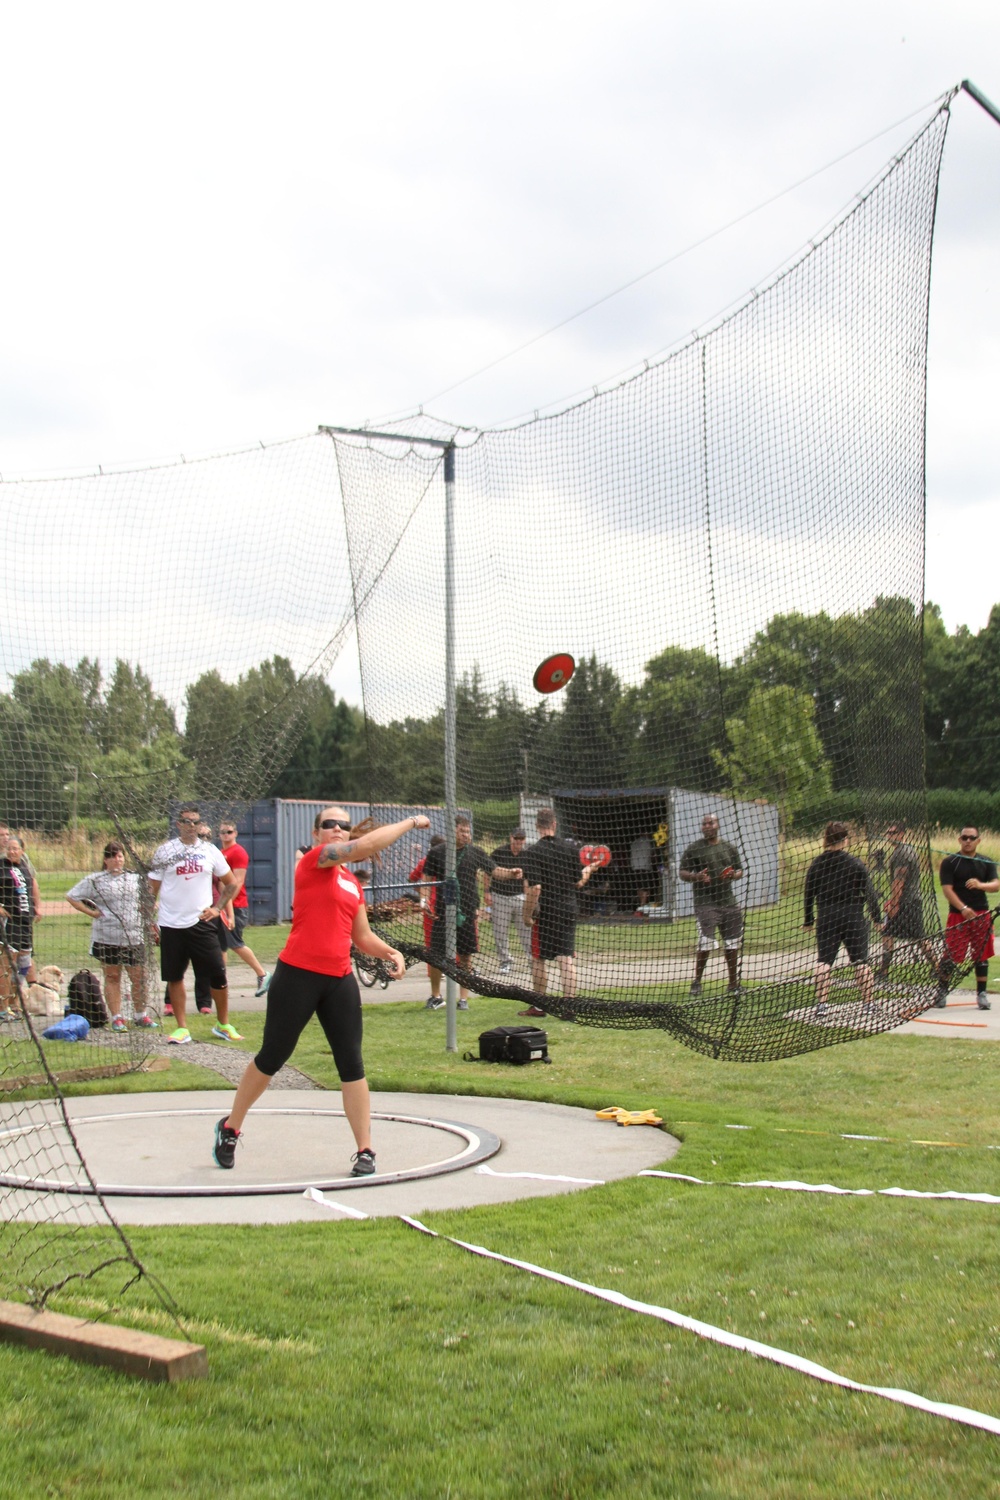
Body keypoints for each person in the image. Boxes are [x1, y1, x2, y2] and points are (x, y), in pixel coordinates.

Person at [211, 807, 430, 1176]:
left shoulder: (352, 884)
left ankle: (365, 1150)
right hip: (297, 975)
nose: (337, 829)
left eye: (344, 825)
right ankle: (230, 1127)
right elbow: (363, 847)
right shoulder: (315, 861)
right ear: (317, 834)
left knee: (351, 1063)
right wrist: (410, 823)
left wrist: (391, 951)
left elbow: (361, 937)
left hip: (338, 979)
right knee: (272, 1056)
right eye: (329, 824)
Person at [148, 805, 242, 1045]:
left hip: (202, 922)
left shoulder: (210, 851)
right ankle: (182, 1028)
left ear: (201, 825)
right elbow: (151, 890)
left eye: (196, 822)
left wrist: (218, 908)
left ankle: (223, 1024)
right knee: (175, 976)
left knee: (218, 973)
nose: (191, 826)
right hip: (171, 923)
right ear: (178, 824)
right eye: (186, 821)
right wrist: (149, 919)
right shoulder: (165, 851)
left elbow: (231, 883)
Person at [423, 817, 521, 1009]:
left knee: (466, 956)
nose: (466, 835)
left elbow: (494, 871)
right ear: (452, 831)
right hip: (442, 912)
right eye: (462, 831)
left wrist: (511, 873)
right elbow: (426, 877)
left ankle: (463, 999)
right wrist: (424, 899)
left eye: (468, 832)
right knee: (435, 955)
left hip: (467, 912)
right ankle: (436, 996)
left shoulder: (475, 852)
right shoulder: (437, 852)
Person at [66, 840, 156, 1031]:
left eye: (120, 855)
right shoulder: (96, 879)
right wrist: (92, 913)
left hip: (134, 935)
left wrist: (149, 919)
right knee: (113, 976)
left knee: (140, 976)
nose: (117, 859)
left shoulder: (134, 878)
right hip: (107, 937)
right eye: (113, 856)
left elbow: (149, 897)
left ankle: (141, 1015)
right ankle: (117, 1017)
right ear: (106, 860)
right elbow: (72, 896)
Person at [519, 808, 598, 1016]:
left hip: (546, 911)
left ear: (537, 826)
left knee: (538, 958)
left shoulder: (532, 852)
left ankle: (539, 1006)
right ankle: (569, 1006)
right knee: (566, 957)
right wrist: (589, 870)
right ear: (554, 824)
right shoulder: (570, 849)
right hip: (569, 908)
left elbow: (535, 888)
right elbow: (579, 882)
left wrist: (527, 915)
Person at [803, 821, 881, 1013]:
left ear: (826, 839)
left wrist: (808, 920)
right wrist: (877, 918)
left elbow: (808, 894)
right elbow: (870, 893)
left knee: (824, 961)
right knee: (861, 961)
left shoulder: (817, 864)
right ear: (845, 840)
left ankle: (822, 1005)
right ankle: (868, 1003)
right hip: (853, 915)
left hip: (827, 916)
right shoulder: (855, 863)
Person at [678, 813, 744, 996]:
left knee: (732, 943)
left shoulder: (729, 848)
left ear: (717, 824)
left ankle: (733, 984)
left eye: (710, 823)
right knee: (706, 941)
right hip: (705, 902)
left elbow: (740, 870)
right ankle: (697, 981)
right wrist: (696, 877)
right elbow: (682, 872)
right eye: (704, 824)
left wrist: (733, 875)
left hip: (728, 901)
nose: (707, 826)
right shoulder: (694, 849)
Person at [936, 826, 999, 1011]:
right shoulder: (950, 862)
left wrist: (981, 885)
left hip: (981, 914)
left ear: (978, 840)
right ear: (959, 839)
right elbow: (947, 889)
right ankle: (941, 991)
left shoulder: (986, 862)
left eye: (972, 838)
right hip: (958, 915)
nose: (968, 841)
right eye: (964, 837)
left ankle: (981, 994)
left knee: (981, 954)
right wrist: (963, 908)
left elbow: (996, 885)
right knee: (951, 955)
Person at [218, 821, 271, 997]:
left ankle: (262, 974)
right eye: (223, 832)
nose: (226, 835)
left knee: (235, 943)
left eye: (229, 832)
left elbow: (238, 881)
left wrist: (227, 903)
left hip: (237, 904)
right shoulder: (221, 853)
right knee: (221, 946)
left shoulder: (238, 852)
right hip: (224, 905)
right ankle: (221, 982)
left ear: (236, 833)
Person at [877, 823, 936, 979]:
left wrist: (894, 904)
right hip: (907, 901)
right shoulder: (903, 851)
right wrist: (893, 901)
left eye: (893, 832)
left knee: (918, 938)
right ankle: (884, 971)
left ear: (901, 834)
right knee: (888, 932)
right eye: (888, 832)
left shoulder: (902, 854)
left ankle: (937, 966)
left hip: (908, 902)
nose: (890, 835)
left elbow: (899, 881)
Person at [485, 827, 530, 973]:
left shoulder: (527, 855)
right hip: (500, 895)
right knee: (500, 931)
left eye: (521, 839)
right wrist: (487, 892)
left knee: (526, 930)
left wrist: (529, 899)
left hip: (519, 897)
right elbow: (487, 872)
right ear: (511, 837)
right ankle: (505, 961)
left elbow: (528, 879)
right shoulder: (499, 852)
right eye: (516, 838)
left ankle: (532, 959)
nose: (518, 841)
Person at [409, 834, 445, 1008]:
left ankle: (442, 990)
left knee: (435, 946)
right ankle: (437, 992)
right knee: (434, 947)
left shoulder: (448, 862)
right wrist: (424, 895)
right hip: (433, 908)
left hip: (441, 907)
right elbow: (414, 878)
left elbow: (412, 878)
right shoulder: (426, 862)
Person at [0, 836, 38, 990]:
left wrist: (37, 907)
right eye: (9, 848)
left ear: (22, 850)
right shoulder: (1, 867)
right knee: (8, 965)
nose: (11, 852)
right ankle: (3, 1009)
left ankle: (16, 1005)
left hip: (25, 923)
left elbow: (32, 888)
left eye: (15, 848)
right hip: (11, 923)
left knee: (24, 965)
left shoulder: (24, 867)